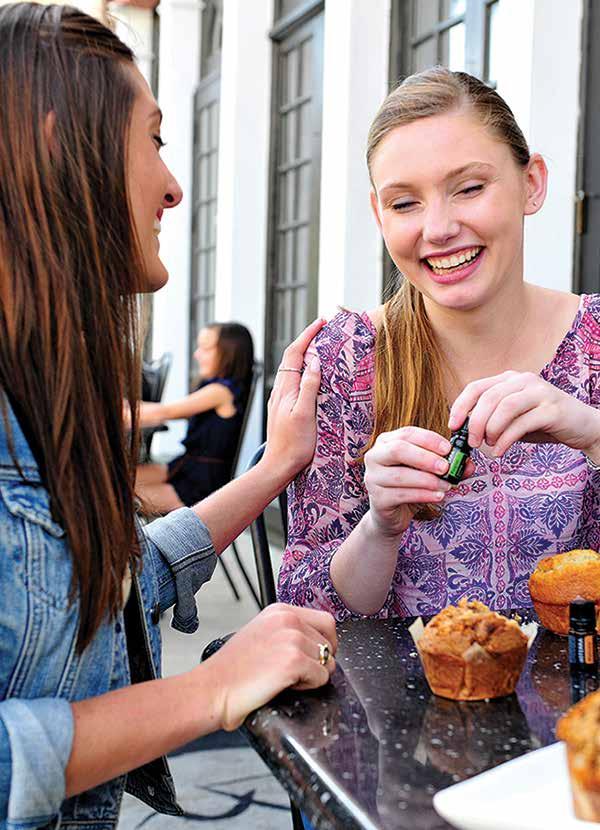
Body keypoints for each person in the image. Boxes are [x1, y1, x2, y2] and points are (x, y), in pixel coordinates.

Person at [0, 4, 337, 828]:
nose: (174, 184)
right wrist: (213, 688)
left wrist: (278, 464)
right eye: (153, 138)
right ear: (56, 146)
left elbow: (115, 584)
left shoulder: (37, 394)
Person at [278, 66, 600, 620]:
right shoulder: (344, 358)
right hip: (398, 706)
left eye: (469, 188)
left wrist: (593, 434)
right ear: (380, 215)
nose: (439, 228)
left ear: (533, 183)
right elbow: (306, 610)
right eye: (405, 203)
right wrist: (379, 527)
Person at [134, 322, 254, 513]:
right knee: (117, 478)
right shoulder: (215, 387)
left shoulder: (220, 391)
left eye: (205, 348)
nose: (196, 354)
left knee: (115, 495)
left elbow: (165, 412)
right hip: (185, 468)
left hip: (199, 485)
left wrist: (118, 410)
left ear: (230, 353)